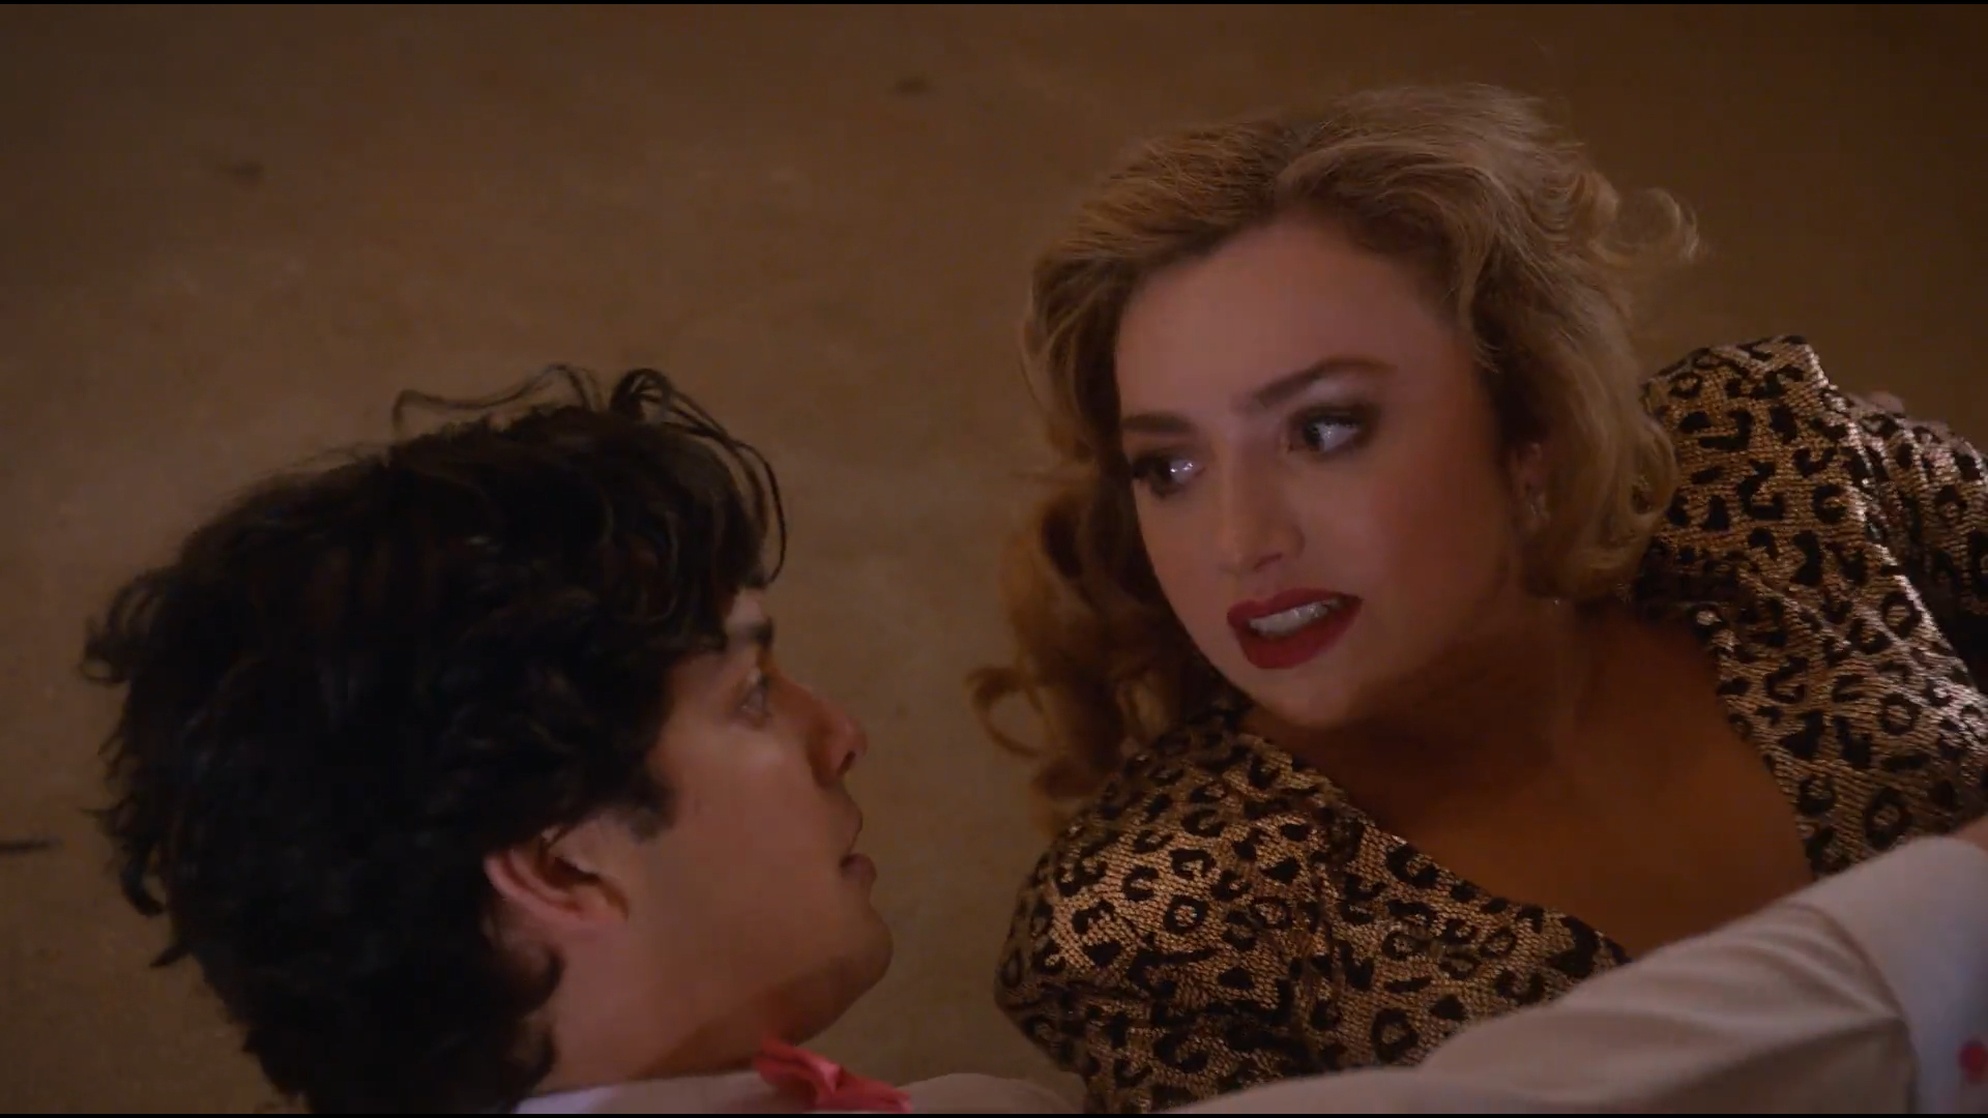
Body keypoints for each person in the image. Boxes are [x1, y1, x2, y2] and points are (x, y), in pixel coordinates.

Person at [84, 364, 1988, 1117]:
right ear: (564, 859)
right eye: (749, 693)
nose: (838, 732)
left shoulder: (1770, 461)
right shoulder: (1144, 927)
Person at [972, 82, 1988, 1111]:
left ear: (1531, 422)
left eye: (1323, 429)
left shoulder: (1778, 462)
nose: (1239, 542)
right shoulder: (1153, 921)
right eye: (1171, 468)